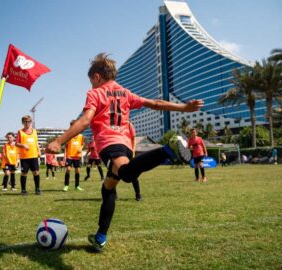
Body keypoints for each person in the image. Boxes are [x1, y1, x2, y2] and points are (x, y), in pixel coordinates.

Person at [46, 53, 203, 252]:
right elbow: (154, 103)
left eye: (91, 81)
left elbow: (86, 120)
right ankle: (100, 237)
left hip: (110, 144)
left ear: (97, 77)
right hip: (126, 145)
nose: (91, 85)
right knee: (108, 187)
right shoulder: (125, 92)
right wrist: (183, 107)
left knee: (127, 174)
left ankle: (167, 150)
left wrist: (59, 141)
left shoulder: (95, 93)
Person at [16, 115, 42, 195]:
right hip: (24, 157)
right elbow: (16, 143)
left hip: (34, 156)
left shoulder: (34, 131)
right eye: (25, 121)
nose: (27, 123)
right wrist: (23, 145)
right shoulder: (20, 132)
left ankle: (37, 189)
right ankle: (23, 190)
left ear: (31, 122)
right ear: (22, 122)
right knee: (24, 173)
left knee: (36, 172)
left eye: (29, 121)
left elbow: (36, 142)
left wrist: (39, 150)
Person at [63, 120, 85, 192]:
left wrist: (81, 148)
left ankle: (77, 186)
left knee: (77, 170)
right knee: (68, 169)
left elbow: (82, 144)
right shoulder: (68, 135)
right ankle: (66, 185)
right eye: (71, 125)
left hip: (77, 156)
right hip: (69, 156)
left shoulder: (81, 136)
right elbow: (65, 147)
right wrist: (64, 156)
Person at [128, 122, 142, 201]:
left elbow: (133, 138)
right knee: (115, 173)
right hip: (119, 151)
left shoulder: (128, 124)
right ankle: (113, 194)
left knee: (133, 175)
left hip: (128, 151)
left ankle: (138, 194)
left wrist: (132, 151)